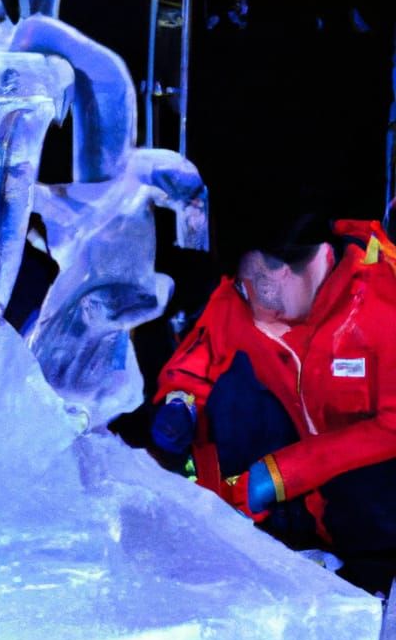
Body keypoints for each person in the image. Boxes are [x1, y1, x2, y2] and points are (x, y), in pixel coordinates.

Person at [150, 210, 396, 592]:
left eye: (262, 291)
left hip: (377, 511)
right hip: (309, 509)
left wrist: (283, 472)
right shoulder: (251, 293)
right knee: (233, 393)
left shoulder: (384, 300)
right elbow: (198, 359)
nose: (257, 310)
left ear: (287, 270)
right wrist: (179, 403)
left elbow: (391, 427)